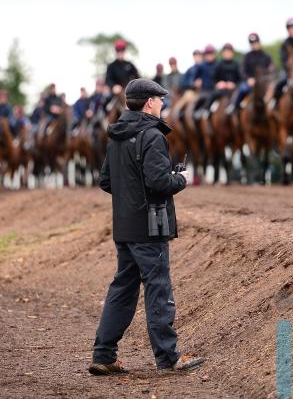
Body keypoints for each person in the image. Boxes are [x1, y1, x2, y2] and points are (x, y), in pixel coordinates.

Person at [90, 78, 204, 375]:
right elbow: (158, 182)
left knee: (123, 290)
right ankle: (168, 358)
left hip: (124, 228)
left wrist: (130, 195)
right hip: (150, 228)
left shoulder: (116, 136)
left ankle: (103, 355)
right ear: (149, 102)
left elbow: (106, 181)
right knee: (158, 288)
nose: (163, 103)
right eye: (160, 99)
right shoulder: (152, 136)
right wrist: (181, 179)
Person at [228, 32, 274, 113]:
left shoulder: (266, 56)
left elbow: (271, 69)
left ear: (259, 42)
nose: (254, 44)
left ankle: (275, 110)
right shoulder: (246, 57)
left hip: (264, 83)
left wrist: (267, 77)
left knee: (275, 90)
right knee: (241, 90)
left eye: (256, 42)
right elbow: (242, 70)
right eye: (252, 43)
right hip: (250, 83)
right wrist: (248, 79)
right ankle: (235, 109)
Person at [191, 45, 218, 119]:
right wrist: (196, 82)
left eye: (211, 53)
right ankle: (196, 116)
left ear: (214, 54)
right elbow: (195, 80)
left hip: (216, 90)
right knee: (199, 102)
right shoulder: (201, 66)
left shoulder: (218, 64)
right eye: (207, 54)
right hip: (205, 90)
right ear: (205, 55)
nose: (209, 56)